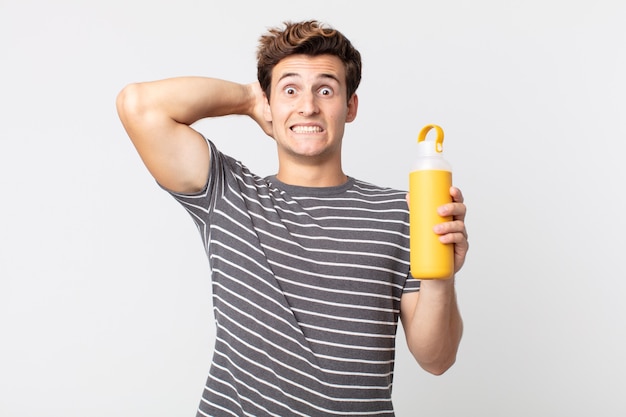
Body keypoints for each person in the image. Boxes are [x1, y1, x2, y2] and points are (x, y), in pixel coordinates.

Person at [116, 19, 468, 417]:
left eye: (325, 89)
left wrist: (441, 279)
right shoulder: (229, 193)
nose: (307, 105)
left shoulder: (402, 211)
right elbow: (139, 105)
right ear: (269, 103)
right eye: (289, 89)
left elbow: (436, 360)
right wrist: (250, 98)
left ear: (350, 106)